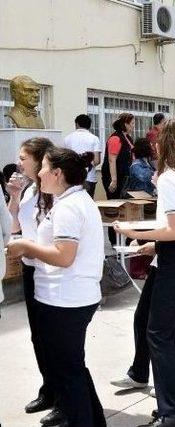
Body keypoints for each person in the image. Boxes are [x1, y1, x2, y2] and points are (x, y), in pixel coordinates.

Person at [114, 119, 175, 427]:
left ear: (160, 145)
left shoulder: (170, 178)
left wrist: (134, 231)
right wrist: (155, 245)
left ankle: (172, 412)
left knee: (159, 332)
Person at [7, 147, 106, 427]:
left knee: (67, 373)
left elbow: (64, 256)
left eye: (43, 168)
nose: (38, 173)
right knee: (72, 368)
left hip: (65, 299)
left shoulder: (69, 207)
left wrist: (27, 247)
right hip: (67, 296)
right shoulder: (71, 200)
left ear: (57, 173)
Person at [5, 138, 57, 423]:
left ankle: (63, 396)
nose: (19, 162)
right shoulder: (29, 190)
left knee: (53, 338)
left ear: (39, 160)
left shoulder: (51, 192)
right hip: (30, 267)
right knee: (38, 335)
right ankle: (48, 389)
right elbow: (15, 226)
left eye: (24, 157)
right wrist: (13, 195)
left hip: (49, 270)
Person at [62, 114, 101, 198]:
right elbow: (97, 160)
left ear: (76, 124)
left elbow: (64, 160)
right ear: (89, 125)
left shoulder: (67, 138)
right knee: (88, 204)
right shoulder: (94, 138)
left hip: (71, 178)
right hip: (89, 178)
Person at [101, 112, 134, 200]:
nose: (133, 126)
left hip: (125, 176)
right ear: (125, 124)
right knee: (115, 202)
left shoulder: (128, 137)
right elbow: (112, 160)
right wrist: (114, 180)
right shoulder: (115, 138)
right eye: (132, 123)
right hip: (114, 177)